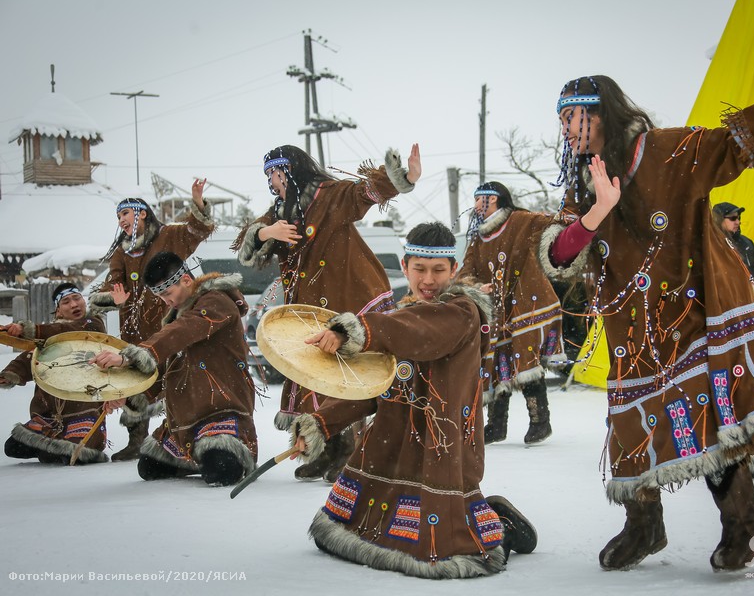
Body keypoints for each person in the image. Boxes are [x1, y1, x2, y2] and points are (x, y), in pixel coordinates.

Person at [541, 41, 754, 571]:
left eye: (574, 116)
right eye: (560, 119)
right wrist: (598, 210)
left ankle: (744, 524)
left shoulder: (668, 151)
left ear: (602, 113)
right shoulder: (583, 184)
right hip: (633, 327)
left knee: (706, 421)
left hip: (697, 313)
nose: (566, 128)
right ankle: (644, 525)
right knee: (631, 426)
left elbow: (734, 142)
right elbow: (558, 252)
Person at [289, 222, 537, 579]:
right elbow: (372, 386)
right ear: (404, 267)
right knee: (335, 535)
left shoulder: (462, 312)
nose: (428, 279)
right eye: (419, 268)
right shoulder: (399, 317)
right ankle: (482, 514)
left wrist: (360, 330)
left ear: (454, 270)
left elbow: (421, 330)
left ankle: (495, 525)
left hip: (439, 446)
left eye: (438, 270)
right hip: (390, 443)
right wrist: (322, 424)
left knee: (437, 553)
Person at [233, 144, 420, 482]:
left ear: (290, 170)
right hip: (306, 306)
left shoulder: (330, 195)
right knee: (313, 379)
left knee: (343, 378)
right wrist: (267, 232)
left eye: (274, 174)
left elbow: (364, 193)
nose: (271, 182)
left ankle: (349, 452)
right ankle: (327, 450)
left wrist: (401, 178)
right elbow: (246, 251)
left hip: (346, 297)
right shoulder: (281, 211)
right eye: (268, 177)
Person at [91, 251, 258, 486]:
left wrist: (132, 356)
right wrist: (126, 396)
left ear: (186, 281)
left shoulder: (216, 301)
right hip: (184, 418)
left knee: (221, 469)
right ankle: (201, 457)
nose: (165, 301)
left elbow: (184, 330)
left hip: (221, 408)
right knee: (149, 468)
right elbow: (164, 370)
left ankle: (225, 455)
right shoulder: (178, 316)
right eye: (160, 297)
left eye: (168, 293)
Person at [89, 179, 215, 461]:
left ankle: (173, 435)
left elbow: (198, 231)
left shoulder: (169, 236)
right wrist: (113, 297)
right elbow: (113, 284)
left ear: (142, 213)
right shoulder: (121, 252)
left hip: (168, 323)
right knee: (134, 380)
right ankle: (136, 440)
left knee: (174, 378)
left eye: (125, 214)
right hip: (133, 328)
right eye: (118, 217)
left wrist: (197, 202)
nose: (121, 220)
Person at [458, 181, 565, 445]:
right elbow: (466, 269)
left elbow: (553, 223)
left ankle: (540, 421)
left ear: (491, 199)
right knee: (497, 363)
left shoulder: (520, 220)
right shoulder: (479, 238)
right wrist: (472, 286)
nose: (474, 207)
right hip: (499, 310)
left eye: (477, 200)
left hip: (527, 302)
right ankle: (496, 426)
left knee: (526, 361)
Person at [1, 283, 108, 464]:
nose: (74, 305)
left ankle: (52, 450)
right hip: (50, 416)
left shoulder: (92, 325)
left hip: (83, 412)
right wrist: (10, 374)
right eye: (66, 301)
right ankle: (53, 448)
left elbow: (64, 333)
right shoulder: (49, 338)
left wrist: (31, 331)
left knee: (78, 454)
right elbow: (30, 356)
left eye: (77, 298)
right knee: (12, 446)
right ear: (58, 311)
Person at [711, 202, 754, 293]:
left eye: (738, 218)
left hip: (752, 300)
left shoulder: (746, 243)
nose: (738, 222)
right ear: (719, 220)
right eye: (733, 218)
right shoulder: (713, 245)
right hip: (729, 301)